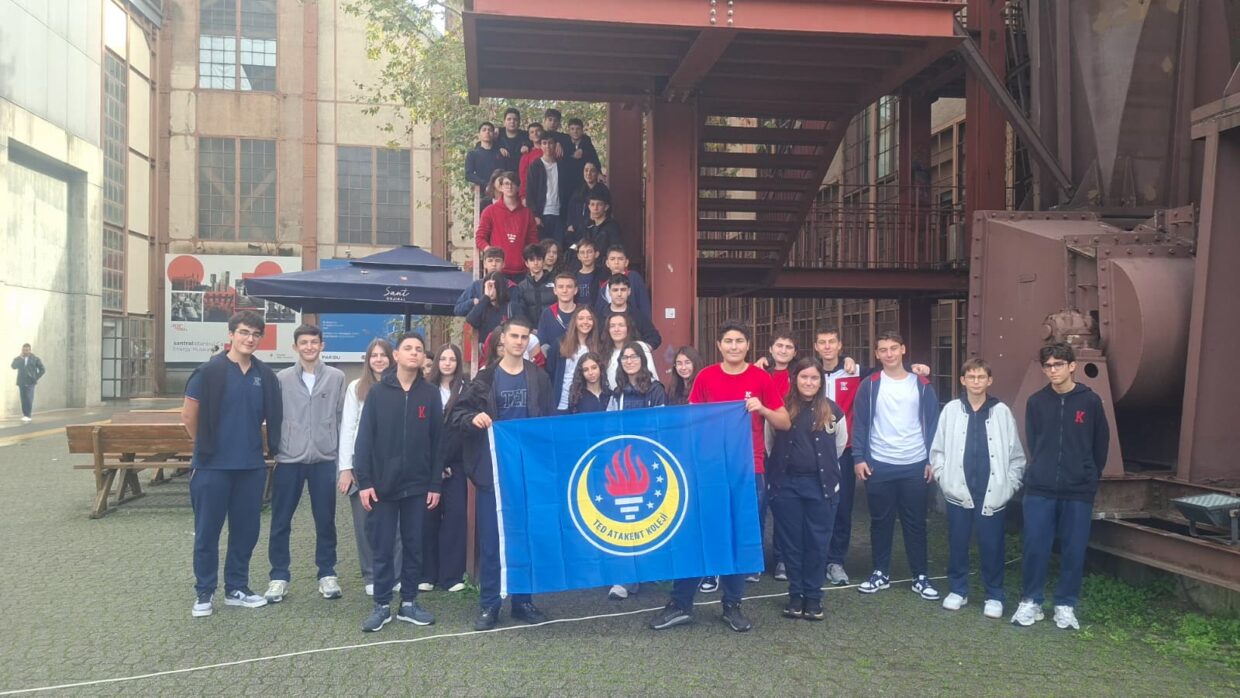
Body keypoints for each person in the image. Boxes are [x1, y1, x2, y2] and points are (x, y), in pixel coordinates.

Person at [649, 321, 790, 633]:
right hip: (708, 470)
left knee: (738, 536)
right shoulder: (706, 376)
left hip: (747, 470)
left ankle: (732, 605)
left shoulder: (761, 378)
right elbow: (691, 420)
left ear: (748, 345)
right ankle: (681, 603)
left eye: (739, 341)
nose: (734, 346)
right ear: (719, 345)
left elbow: (784, 421)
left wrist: (762, 409)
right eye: (728, 341)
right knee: (696, 533)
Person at [449, 317, 555, 631]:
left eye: (524, 337)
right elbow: (457, 414)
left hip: (526, 471)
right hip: (492, 472)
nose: (519, 342)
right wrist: (473, 418)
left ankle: (522, 601)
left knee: (525, 537)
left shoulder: (539, 377)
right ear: (503, 340)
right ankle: (490, 604)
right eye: (514, 337)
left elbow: (548, 421)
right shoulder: (485, 377)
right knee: (492, 540)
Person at [181, 311, 283, 618]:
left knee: (245, 532)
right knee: (207, 532)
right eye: (244, 332)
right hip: (211, 467)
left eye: (255, 334)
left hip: (250, 467)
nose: (249, 339)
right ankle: (204, 592)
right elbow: (189, 416)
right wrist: (207, 446)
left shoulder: (264, 375)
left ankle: (237, 588)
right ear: (231, 335)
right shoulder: (208, 372)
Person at [1011, 342, 1110, 631]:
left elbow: (1100, 444)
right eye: (1048, 366)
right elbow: (1034, 440)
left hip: (1078, 490)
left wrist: (1088, 476)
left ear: (1072, 366)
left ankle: (1065, 605)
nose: (1052, 370)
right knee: (1035, 547)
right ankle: (1031, 601)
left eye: (1058, 364)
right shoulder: (1036, 402)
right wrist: (1042, 468)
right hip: (1040, 489)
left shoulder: (1090, 402)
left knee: (1074, 550)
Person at [353, 332, 443, 633]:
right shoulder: (378, 393)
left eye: (419, 349)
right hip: (382, 485)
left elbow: (438, 442)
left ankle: (409, 603)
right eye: (408, 348)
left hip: (418, 486)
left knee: (414, 545)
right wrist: (365, 481)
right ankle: (381, 604)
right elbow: (364, 439)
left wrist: (435, 484)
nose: (414, 353)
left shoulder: (430, 394)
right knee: (382, 547)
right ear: (396, 355)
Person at [929, 358, 1025, 620]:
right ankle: (958, 590)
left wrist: (1009, 486)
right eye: (971, 377)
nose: (976, 381)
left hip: (992, 492)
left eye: (981, 377)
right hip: (958, 492)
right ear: (963, 380)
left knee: (992, 545)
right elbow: (937, 450)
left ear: (989, 380)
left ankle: (994, 595)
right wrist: (944, 479)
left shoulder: (1001, 412)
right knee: (957, 543)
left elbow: (1016, 456)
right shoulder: (951, 410)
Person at [852, 331, 941, 600]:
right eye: (883, 349)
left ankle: (920, 576)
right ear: (877, 354)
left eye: (893, 348)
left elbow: (933, 423)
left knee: (916, 523)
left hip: (915, 463)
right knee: (881, 522)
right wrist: (859, 457)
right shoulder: (869, 385)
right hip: (879, 463)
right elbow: (860, 423)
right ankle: (880, 573)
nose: (889, 354)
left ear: (903, 349)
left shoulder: (922, 384)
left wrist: (932, 460)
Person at [264, 324, 347, 604]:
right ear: (295, 347)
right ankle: (279, 576)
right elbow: (273, 416)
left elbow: (340, 416)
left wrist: (341, 458)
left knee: (325, 520)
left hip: (324, 458)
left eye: (314, 342)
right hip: (290, 459)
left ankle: (327, 573)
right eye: (304, 342)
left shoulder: (336, 377)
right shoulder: (282, 378)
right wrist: (277, 448)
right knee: (281, 520)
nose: (309, 347)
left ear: (322, 346)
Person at [769, 358, 848, 621]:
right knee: (792, 543)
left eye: (814, 378)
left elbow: (839, 446)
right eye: (804, 377)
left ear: (821, 381)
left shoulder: (833, 411)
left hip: (821, 486)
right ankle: (796, 595)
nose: (809, 382)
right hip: (787, 485)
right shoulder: (781, 408)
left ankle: (813, 598)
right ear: (795, 379)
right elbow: (770, 444)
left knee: (817, 543)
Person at [338, 338, 401, 598]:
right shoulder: (356, 387)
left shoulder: (400, 385)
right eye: (374, 355)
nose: (378, 360)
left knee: (396, 524)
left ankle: (395, 574)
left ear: (391, 357)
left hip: (392, 464)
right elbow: (348, 427)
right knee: (366, 524)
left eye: (383, 355)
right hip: (362, 465)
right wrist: (346, 468)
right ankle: (372, 575)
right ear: (368, 360)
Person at [603, 342, 666, 600]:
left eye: (634, 356)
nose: (629, 361)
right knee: (625, 519)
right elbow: (608, 426)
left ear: (643, 359)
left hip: (648, 462)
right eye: (625, 357)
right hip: (621, 463)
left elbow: (661, 425)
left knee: (647, 518)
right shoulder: (616, 393)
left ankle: (644, 570)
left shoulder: (656, 389)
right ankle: (625, 577)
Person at [420, 344, 469, 594]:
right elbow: (421, 431)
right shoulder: (425, 390)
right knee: (427, 519)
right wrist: (435, 466)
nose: (448, 363)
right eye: (443, 359)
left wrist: (448, 463)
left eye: (452, 359)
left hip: (457, 465)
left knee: (456, 516)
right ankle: (427, 574)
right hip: (428, 466)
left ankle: (451, 575)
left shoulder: (465, 390)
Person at [753, 330, 800, 582]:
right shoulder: (758, 373)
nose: (783, 350)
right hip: (760, 445)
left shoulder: (799, 374)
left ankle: (782, 558)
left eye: (788, 346)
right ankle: (755, 559)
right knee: (758, 505)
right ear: (770, 349)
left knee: (784, 505)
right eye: (779, 345)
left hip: (787, 444)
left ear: (794, 352)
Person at [474, 172, 539, 281]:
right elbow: (480, 238)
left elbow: (533, 242)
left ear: (518, 188)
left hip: (522, 272)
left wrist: (530, 262)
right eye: (506, 183)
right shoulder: (489, 211)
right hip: (497, 271)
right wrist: (490, 251)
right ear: (500, 187)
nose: (509, 186)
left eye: (513, 183)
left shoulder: (527, 214)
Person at [526, 132, 572, 246]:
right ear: (541, 145)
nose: (547, 146)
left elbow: (568, 192)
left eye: (550, 143)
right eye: (544, 143)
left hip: (559, 214)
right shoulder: (535, 166)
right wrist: (535, 215)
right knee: (543, 248)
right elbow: (530, 192)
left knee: (559, 247)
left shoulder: (562, 166)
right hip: (542, 214)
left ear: (555, 145)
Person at [552, 306, 600, 413]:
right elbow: (551, 371)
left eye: (589, 318)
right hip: (562, 402)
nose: (585, 322)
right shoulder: (560, 344)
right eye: (581, 318)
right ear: (575, 321)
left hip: (585, 403)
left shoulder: (598, 346)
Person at [599, 274, 662, 351]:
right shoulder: (600, 316)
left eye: (623, 290)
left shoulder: (638, 315)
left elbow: (654, 338)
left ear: (629, 291)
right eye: (615, 290)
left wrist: (641, 351)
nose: (619, 294)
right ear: (609, 292)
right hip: (606, 357)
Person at [603, 312, 656, 391]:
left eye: (621, 325)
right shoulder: (604, 352)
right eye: (612, 326)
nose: (616, 329)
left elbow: (652, 377)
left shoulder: (640, 347)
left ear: (628, 328)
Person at [597, 246, 652, 321]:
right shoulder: (604, 286)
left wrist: (646, 324)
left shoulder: (634, 278)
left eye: (620, 259)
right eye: (612, 259)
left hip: (632, 324)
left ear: (626, 262)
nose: (616, 262)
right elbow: (599, 312)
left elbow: (644, 305)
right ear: (607, 263)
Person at [466, 271, 515, 348]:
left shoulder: (511, 307)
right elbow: (471, 320)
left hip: (506, 349)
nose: (490, 290)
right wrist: (485, 297)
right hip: (487, 351)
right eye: (488, 287)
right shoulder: (483, 306)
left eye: (493, 287)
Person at [566, 161, 610, 245]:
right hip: (577, 232)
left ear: (597, 173)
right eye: (586, 170)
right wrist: (570, 225)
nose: (588, 173)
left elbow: (608, 212)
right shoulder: (578, 191)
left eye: (592, 170)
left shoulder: (603, 190)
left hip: (595, 232)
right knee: (573, 249)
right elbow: (570, 210)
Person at [513, 242, 556, 326]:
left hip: (552, 327)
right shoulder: (521, 287)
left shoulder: (555, 282)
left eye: (539, 259)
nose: (536, 263)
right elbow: (520, 312)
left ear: (543, 261)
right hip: (530, 331)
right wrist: (530, 329)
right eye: (532, 260)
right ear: (526, 263)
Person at [561, 117, 601, 206]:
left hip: (582, 181)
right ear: (568, 131)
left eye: (578, 129)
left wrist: (599, 173)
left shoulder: (587, 143)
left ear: (582, 130)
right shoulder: (564, 142)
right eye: (572, 129)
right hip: (567, 181)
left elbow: (594, 159)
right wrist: (557, 144)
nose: (575, 131)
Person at [465, 122, 503, 211]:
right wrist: (486, 184)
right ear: (479, 135)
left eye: (490, 130)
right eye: (484, 130)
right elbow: (468, 174)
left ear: (494, 134)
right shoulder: (472, 154)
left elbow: (504, 172)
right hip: (483, 192)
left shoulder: (500, 153)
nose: (487, 132)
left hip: (500, 192)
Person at [10, 343, 45, 422]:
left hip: (30, 382)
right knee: (23, 399)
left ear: (30, 350)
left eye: (26, 350)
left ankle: (28, 415)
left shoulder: (35, 359)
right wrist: (20, 358)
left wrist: (35, 377)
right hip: (21, 382)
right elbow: (13, 366)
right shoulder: (19, 359)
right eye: (23, 350)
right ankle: (25, 415)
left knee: (29, 398)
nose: (25, 352)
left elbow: (42, 369)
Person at [571, 239, 605, 306]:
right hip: (577, 311)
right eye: (582, 252)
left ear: (596, 254)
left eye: (589, 252)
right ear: (578, 256)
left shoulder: (603, 275)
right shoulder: (572, 276)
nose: (586, 256)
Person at [495, 107, 530, 173]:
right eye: (509, 119)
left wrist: (527, 146)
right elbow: (484, 145)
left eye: (515, 119)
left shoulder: (525, 135)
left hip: (521, 173)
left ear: (519, 122)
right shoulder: (498, 134)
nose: (512, 122)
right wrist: (498, 149)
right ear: (504, 122)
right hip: (502, 174)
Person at [518, 123, 544, 203]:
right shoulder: (527, 155)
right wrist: (523, 195)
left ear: (542, 133)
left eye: (538, 131)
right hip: (533, 193)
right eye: (532, 132)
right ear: (529, 136)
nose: (535, 134)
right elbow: (523, 177)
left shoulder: (551, 151)